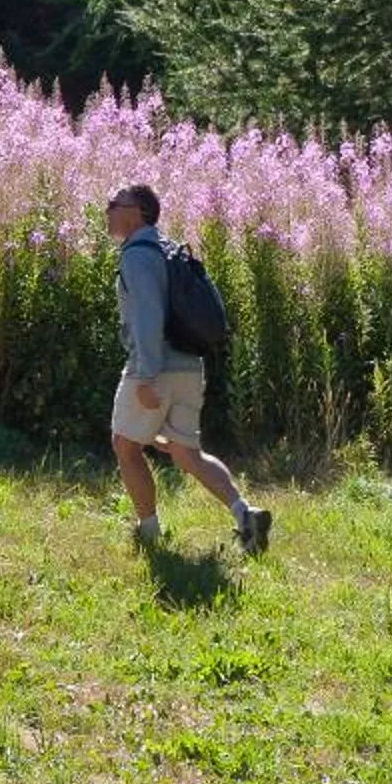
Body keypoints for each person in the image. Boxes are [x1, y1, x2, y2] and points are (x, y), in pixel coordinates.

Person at [106, 184, 271, 554]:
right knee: (186, 453)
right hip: (189, 366)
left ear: (138, 212)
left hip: (154, 367)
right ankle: (246, 514)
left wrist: (145, 377)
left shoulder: (137, 254)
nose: (108, 211)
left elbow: (148, 317)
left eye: (114, 204)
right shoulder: (168, 249)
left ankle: (148, 533)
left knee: (124, 446)